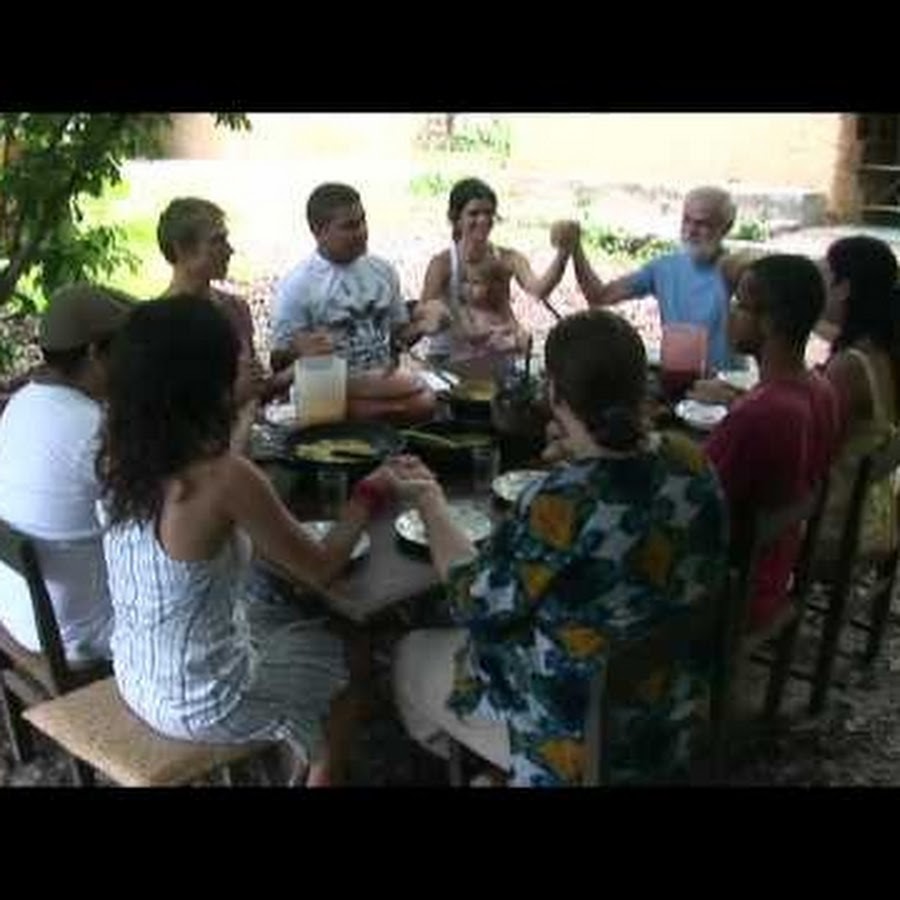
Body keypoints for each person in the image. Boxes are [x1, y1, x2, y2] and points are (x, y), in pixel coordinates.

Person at [388, 309, 728, 786]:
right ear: (641, 383)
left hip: (578, 737)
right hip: (677, 705)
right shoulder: (692, 461)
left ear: (553, 393)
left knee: (409, 654)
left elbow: (473, 601)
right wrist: (584, 456)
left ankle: (497, 770)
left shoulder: (562, 502)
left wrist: (429, 502)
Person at [98, 295, 396, 786]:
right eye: (232, 361)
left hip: (136, 673)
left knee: (277, 612)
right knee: (353, 657)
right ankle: (321, 769)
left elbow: (215, 484)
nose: (244, 365)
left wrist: (242, 412)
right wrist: (370, 493)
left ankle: (293, 749)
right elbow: (322, 568)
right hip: (205, 699)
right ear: (206, 382)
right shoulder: (226, 478)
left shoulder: (121, 456)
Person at [704, 255, 842, 632]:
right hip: (775, 575)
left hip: (734, 592)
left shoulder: (758, 416)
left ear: (770, 321)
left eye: (739, 303)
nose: (730, 312)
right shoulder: (821, 389)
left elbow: (694, 502)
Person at [0, 283, 134, 663]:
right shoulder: (92, 430)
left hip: (17, 612)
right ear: (93, 354)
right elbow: (165, 520)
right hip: (82, 631)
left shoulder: (21, 404)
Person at [270, 182, 436, 423]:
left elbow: (395, 340)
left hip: (385, 395)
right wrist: (299, 352)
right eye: (349, 226)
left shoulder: (383, 271)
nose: (361, 232)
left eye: (362, 221)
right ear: (318, 230)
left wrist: (422, 327)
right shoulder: (298, 286)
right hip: (331, 405)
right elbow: (278, 364)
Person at [556, 186, 754, 373]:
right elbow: (599, 296)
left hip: (727, 384)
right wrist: (575, 248)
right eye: (686, 220)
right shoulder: (664, 268)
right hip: (677, 378)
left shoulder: (738, 271)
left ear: (726, 227)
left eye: (702, 224)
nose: (691, 230)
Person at [157, 196, 323, 404]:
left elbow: (256, 392)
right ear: (182, 249)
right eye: (217, 241)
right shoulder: (157, 327)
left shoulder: (235, 308)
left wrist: (301, 364)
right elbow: (167, 413)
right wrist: (235, 395)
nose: (229, 250)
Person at [418, 177, 572, 377]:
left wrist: (563, 253)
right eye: (474, 213)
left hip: (497, 355)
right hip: (450, 359)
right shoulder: (442, 264)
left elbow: (539, 290)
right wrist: (456, 324)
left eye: (488, 213)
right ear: (456, 218)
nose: (483, 220)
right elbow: (424, 315)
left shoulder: (508, 258)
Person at [815, 236, 900, 559]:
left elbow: (813, 446)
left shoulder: (850, 365)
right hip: (877, 516)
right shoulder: (884, 350)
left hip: (834, 528)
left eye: (825, 275)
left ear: (844, 288)